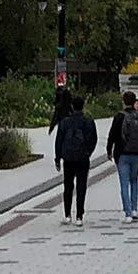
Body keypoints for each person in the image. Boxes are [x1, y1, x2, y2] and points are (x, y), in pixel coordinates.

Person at [106, 91, 138, 222]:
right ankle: (135, 208)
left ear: (124, 101)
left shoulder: (119, 116)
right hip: (136, 153)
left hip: (122, 153)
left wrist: (109, 150)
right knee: (134, 181)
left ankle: (128, 212)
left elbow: (112, 135)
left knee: (124, 183)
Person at [54, 96, 97, 226]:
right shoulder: (88, 122)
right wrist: (88, 152)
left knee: (68, 186)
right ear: (83, 106)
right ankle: (79, 216)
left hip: (68, 158)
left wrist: (58, 157)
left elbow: (59, 141)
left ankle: (67, 214)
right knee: (81, 186)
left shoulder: (65, 122)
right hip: (83, 158)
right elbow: (93, 139)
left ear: (72, 106)